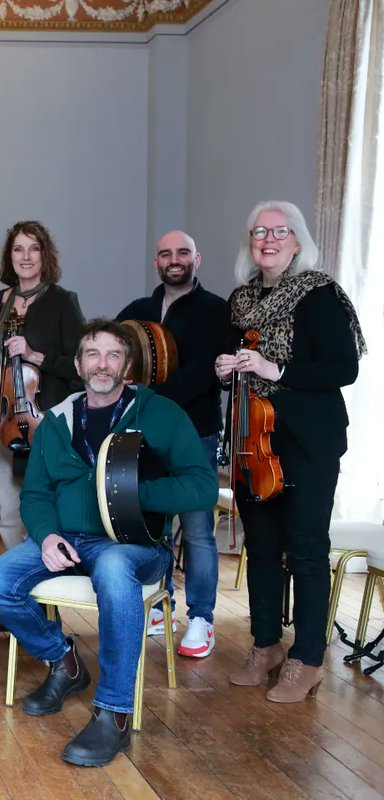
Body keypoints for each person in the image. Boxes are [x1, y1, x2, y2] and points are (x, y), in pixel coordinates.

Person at [0, 319, 216, 766]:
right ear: (80, 364)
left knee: (111, 568)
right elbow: (36, 493)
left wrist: (136, 493)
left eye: (113, 355)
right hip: (66, 539)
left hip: (132, 544)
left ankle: (114, 712)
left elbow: (202, 486)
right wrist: (46, 536)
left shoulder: (159, 414)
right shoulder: (57, 421)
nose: (102, 364)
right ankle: (63, 660)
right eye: (93, 354)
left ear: (127, 366)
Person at [217, 201, 365, 703]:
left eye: (280, 231)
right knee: (260, 548)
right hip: (253, 440)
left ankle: (307, 657)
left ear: (298, 241)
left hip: (308, 441)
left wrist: (275, 370)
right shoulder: (239, 302)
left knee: (305, 548)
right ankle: (265, 646)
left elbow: (343, 368)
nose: (269, 239)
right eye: (259, 231)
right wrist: (228, 366)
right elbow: (237, 360)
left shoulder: (319, 295)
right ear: (249, 242)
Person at [116, 230, 226, 657]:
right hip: (145, 435)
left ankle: (201, 618)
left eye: (182, 252)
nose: (174, 259)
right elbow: (115, 351)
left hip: (194, 430)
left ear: (197, 258)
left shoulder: (216, 310)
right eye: (165, 253)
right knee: (150, 522)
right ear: (156, 262)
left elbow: (203, 373)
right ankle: (159, 604)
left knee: (197, 528)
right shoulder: (138, 310)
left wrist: (149, 400)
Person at [0, 221, 86, 550]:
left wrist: (37, 356)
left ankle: (43, 581)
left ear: (45, 255)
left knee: (40, 507)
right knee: (6, 512)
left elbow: (81, 365)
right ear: (9, 257)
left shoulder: (62, 301)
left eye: (34, 249)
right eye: (18, 249)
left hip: (41, 420)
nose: (26, 256)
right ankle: (21, 587)